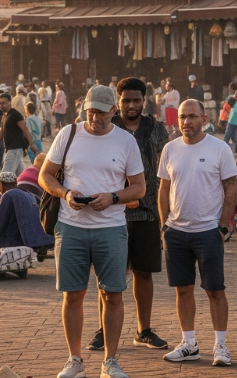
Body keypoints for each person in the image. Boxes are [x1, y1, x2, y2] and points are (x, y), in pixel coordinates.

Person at [38, 85, 145, 378]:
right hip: (71, 226)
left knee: (113, 295)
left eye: (101, 112)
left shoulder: (125, 141)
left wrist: (112, 197)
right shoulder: (68, 134)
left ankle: (110, 360)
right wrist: (65, 193)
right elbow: (44, 175)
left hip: (111, 227)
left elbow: (139, 187)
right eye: (90, 111)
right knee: (72, 295)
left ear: (114, 111)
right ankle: (75, 359)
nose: (95, 117)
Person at [85, 78, 170, 351]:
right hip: (112, 212)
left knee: (144, 273)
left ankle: (143, 330)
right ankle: (103, 328)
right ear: (116, 103)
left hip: (147, 212)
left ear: (144, 101)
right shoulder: (106, 128)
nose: (131, 105)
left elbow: (168, 171)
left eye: (136, 100)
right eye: (126, 100)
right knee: (109, 275)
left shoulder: (157, 130)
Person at [158, 99, 237, 366]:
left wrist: (224, 226)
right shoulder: (170, 149)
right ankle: (189, 343)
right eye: (182, 117)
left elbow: (230, 187)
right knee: (183, 290)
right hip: (176, 231)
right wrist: (164, 225)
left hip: (208, 231)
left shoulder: (219, 148)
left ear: (204, 119)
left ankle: (221, 345)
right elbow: (164, 189)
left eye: (192, 117)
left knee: (215, 289)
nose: (186, 122)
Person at [0, 171, 54, 249]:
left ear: (1, 186)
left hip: (14, 243)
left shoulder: (8, 195)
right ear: (16, 184)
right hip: (37, 241)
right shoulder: (30, 194)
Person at [0, 93, 41, 176]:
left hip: (15, 149)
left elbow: (25, 130)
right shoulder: (4, 116)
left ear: (10, 102)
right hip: (10, 149)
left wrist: (32, 144)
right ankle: (25, 188)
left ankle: (6, 189)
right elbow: (0, 133)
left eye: (3, 103)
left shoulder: (16, 115)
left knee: (5, 176)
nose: (1, 105)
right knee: (20, 177)